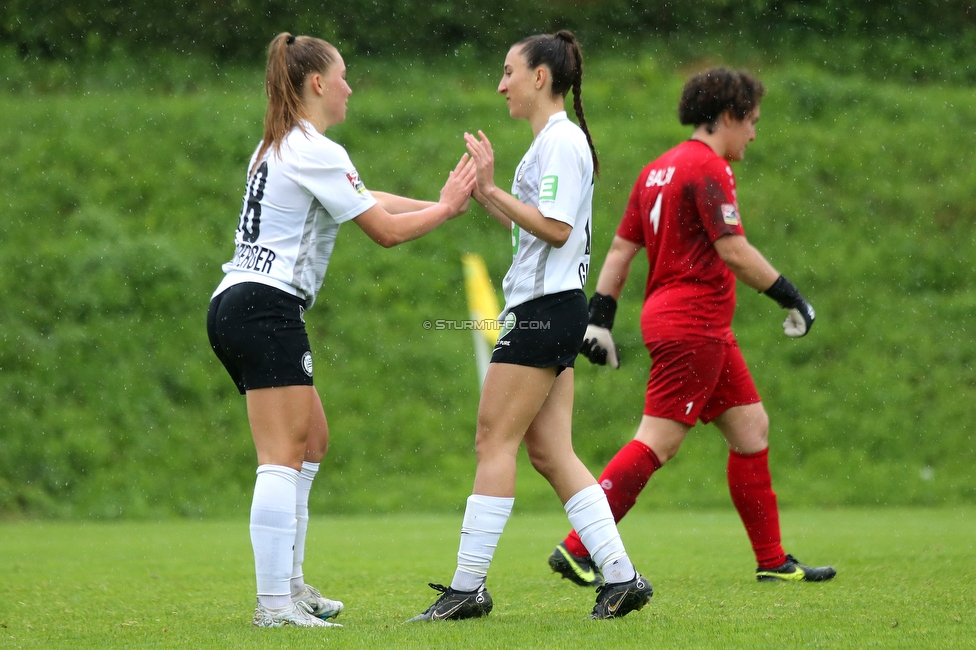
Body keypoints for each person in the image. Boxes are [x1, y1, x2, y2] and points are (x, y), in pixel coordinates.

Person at [206, 32, 476, 628]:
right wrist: (448, 209)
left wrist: (439, 199)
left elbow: (363, 199)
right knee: (279, 457)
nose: (351, 87)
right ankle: (274, 607)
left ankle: (291, 586)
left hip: (240, 302)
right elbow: (385, 231)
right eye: (343, 76)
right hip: (265, 305)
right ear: (318, 84)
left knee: (311, 443)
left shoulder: (281, 144)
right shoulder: (317, 148)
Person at [548, 67, 837, 587]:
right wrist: (791, 297)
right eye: (751, 121)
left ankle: (772, 561)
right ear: (727, 116)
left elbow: (620, 250)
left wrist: (602, 320)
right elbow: (734, 250)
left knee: (752, 429)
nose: (753, 132)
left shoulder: (657, 169)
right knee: (658, 440)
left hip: (686, 321)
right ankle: (578, 546)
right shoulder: (708, 169)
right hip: (694, 323)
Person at [408, 30, 652, 623]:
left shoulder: (561, 143)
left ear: (541, 77)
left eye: (509, 71)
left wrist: (492, 189)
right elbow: (536, 234)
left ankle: (469, 587)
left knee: (494, 441)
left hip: (545, 309)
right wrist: (481, 195)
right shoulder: (550, 144)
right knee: (551, 452)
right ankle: (621, 578)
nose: (501, 84)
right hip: (551, 306)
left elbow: (558, 230)